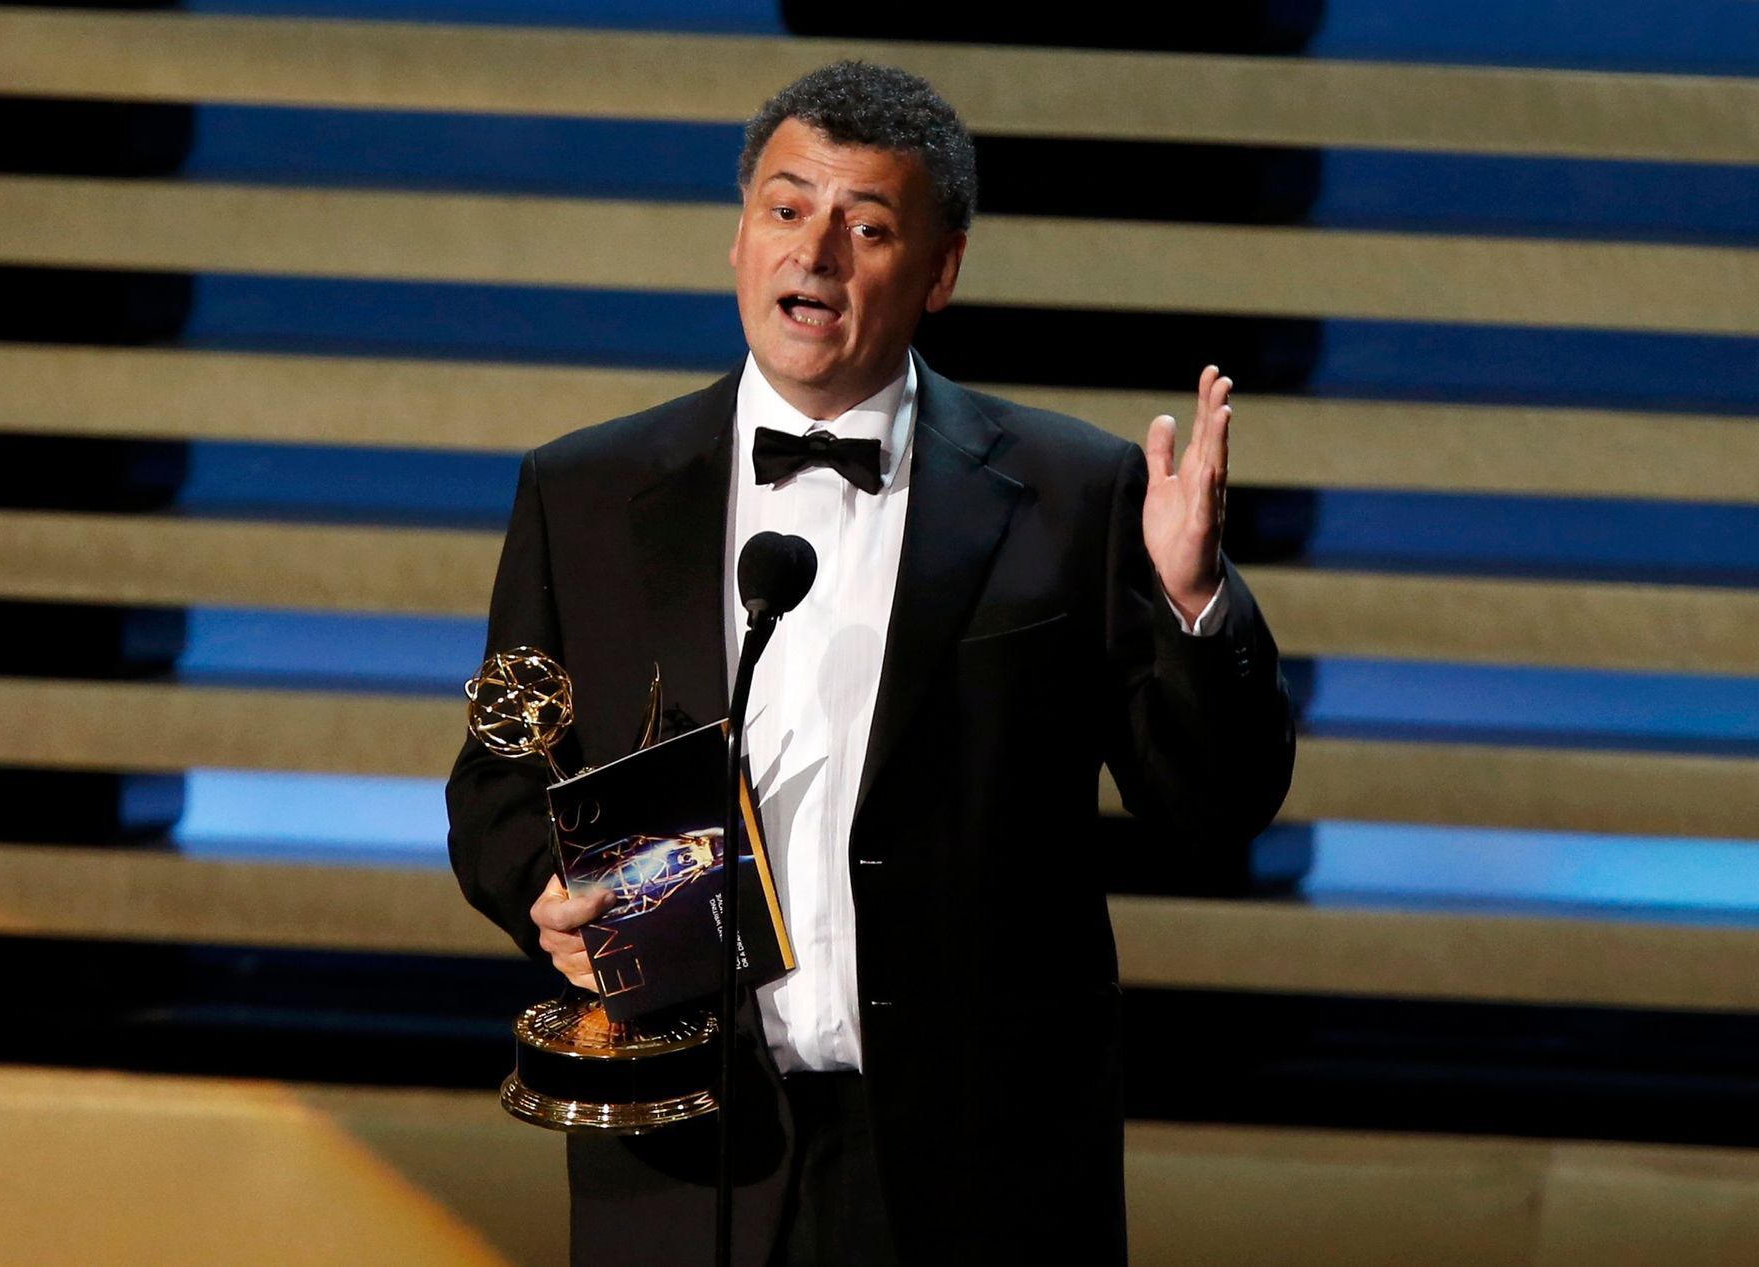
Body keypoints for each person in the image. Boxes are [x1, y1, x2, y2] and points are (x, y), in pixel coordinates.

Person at [447, 60, 1295, 1266]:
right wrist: (545, 893)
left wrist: (1192, 596)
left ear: (940, 270)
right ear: (737, 238)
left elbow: (1213, 806)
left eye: (868, 225)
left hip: (976, 1171)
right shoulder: (582, 490)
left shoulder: (1071, 492)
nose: (816, 254)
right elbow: (495, 787)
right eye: (786, 210)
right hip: (686, 1150)